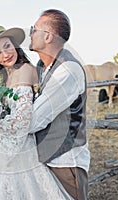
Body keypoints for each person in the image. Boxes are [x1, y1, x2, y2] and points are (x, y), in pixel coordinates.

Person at [0, 25, 72, 200]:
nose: (5, 55)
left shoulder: (25, 69)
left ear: (15, 45)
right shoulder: (1, 78)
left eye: (7, 46)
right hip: (5, 149)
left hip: (22, 147)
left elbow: (22, 120)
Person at [29, 9, 90, 200]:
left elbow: (34, 119)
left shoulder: (67, 69)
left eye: (34, 29)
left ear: (47, 36)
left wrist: (2, 125)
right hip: (46, 159)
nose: (30, 33)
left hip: (65, 163)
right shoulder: (42, 67)